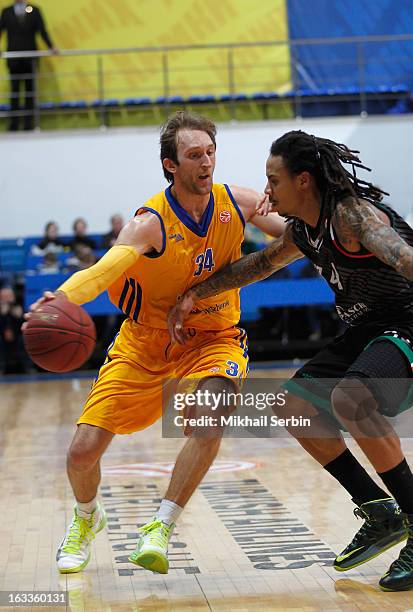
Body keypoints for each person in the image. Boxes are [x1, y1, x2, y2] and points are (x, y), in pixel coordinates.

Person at [23, 111, 285, 575]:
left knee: (210, 416)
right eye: (193, 155)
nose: (206, 163)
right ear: (171, 165)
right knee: (82, 453)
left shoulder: (238, 203)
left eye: (210, 152)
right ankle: (87, 518)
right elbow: (104, 271)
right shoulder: (149, 223)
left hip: (214, 337)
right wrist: (61, 297)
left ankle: (161, 525)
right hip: (145, 343)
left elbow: (298, 237)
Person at [168, 130, 413, 592]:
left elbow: (406, 260)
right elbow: (258, 265)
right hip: (367, 328)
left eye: (273, 180)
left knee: (354, 400)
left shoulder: (353, 217)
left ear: (303, 181)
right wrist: (194, 294)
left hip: (408, 321)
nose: (266, 192)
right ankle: (379, 512)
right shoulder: (305, 229)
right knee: (294, 405)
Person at [0, 0, 58, 131]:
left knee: (30, 92)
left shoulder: (34, 10)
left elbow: (42, 31)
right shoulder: (6, 12)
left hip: (30, 59)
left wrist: (51, 46)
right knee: (14, 92)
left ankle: (28, 124)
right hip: (13, 59)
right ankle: (13, 125)